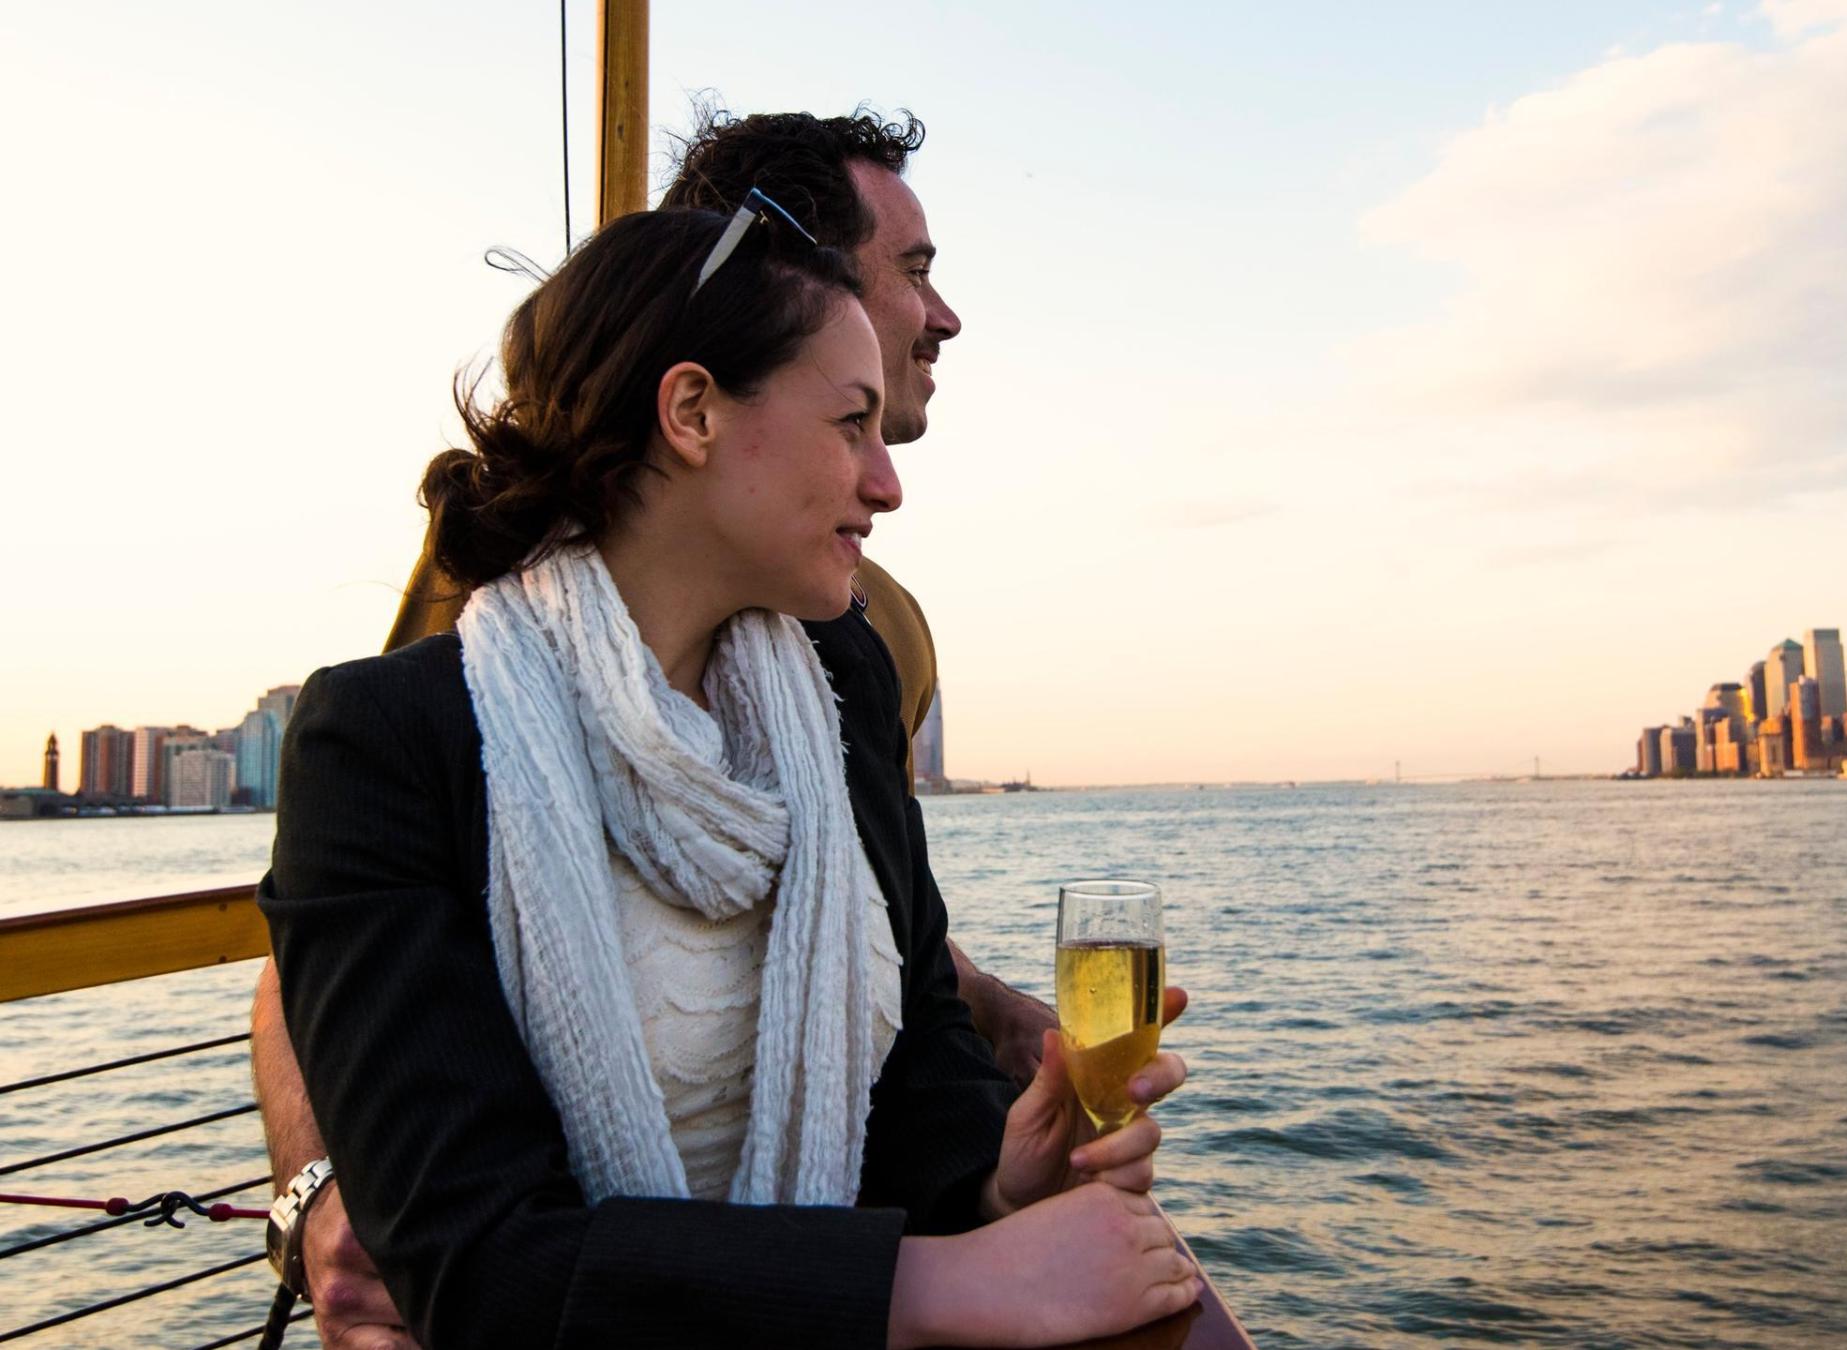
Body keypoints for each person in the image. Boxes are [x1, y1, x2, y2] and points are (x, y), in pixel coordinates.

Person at [260, 200, 1197, 1348]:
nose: (886, 483)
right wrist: (939, 1287)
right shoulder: (387, 742)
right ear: (693, 411)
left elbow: (917, 1071)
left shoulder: (837, 694)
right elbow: (480, 1265)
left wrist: (999, 1179)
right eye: (850, 424)